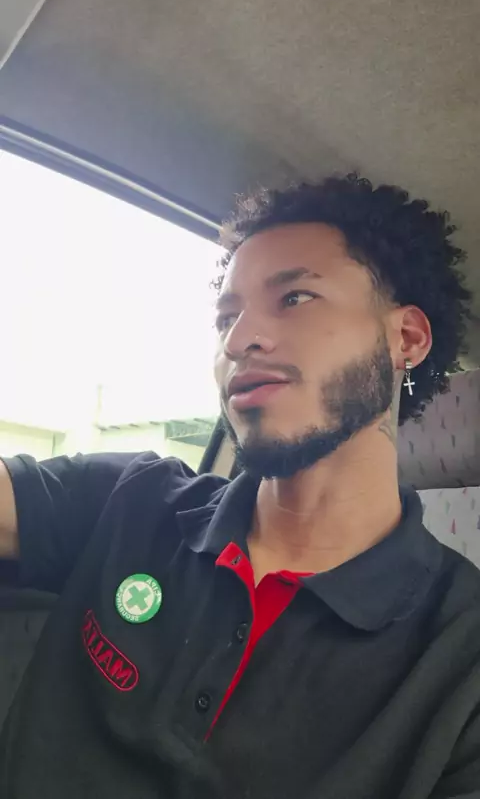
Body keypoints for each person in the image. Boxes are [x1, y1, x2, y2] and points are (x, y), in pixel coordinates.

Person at [0, 173, 477, 799]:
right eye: (227, 316)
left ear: (405, 339)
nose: (239, 338)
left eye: (296, 297)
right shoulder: (131, 499)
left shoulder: (462, 652)